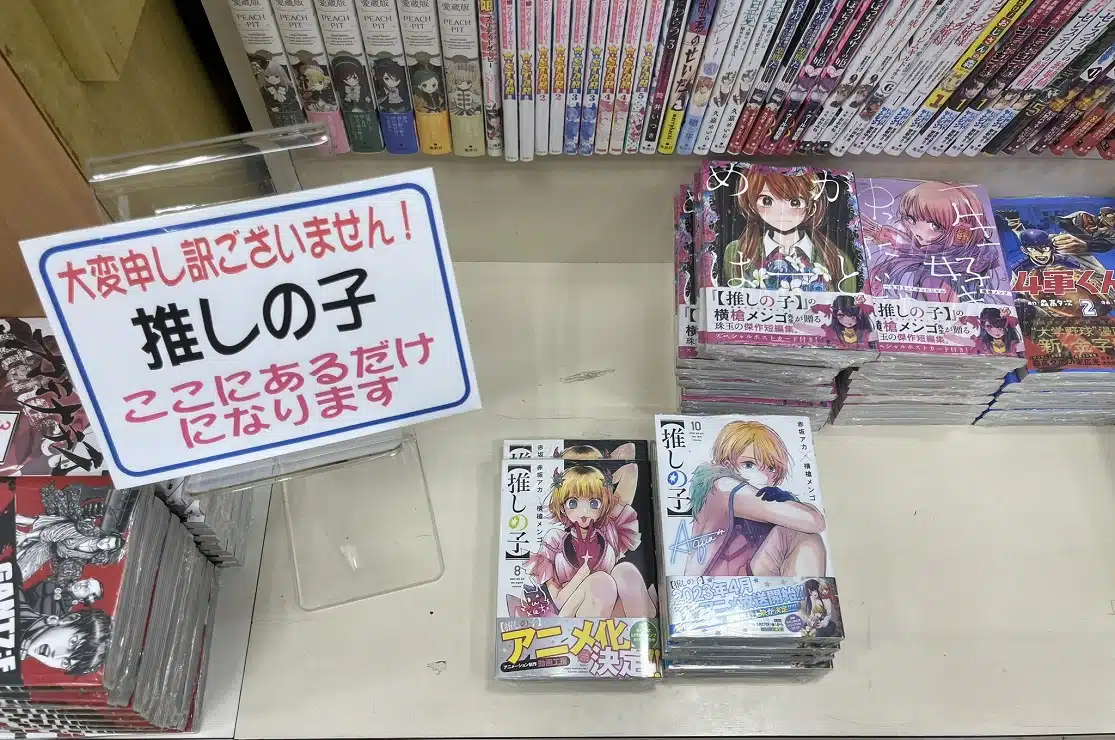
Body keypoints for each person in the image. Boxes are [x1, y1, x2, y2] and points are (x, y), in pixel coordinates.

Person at [685, 421, 827, 578]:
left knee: (803, 534)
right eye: (749, 464)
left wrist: (788, 500)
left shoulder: (761, 498)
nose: (762, 476)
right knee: (799, 533)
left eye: (771, 468)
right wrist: (789, 503)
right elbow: (815, 521)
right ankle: (809, 593)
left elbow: (814, 521)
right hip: (715, 586)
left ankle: (809, 594)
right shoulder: (722, 486)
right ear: (727, 465)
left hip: (751, 581)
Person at [525, 464, 656, 618]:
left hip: (609, 613)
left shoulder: (608, 532)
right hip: (574, 617)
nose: (584, 512)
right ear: (562, 507)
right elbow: (559, 602)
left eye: (594, 503)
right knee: (601, 582)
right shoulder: (555, 540)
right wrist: (582, 575)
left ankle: (641, 626)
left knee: (626, 571)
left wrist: (602, 481)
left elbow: (631, 469)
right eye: (573, 503)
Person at [862, 181, 1004, 303]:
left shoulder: (945, 273)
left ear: (961, 231)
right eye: (911, 219)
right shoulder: (923, 254)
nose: (918, 232)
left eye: (935, 226)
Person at [720, 169, 860, 293]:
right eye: (767, 201)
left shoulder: (836, 259)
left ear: (812, 208)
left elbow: (849, 308)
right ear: (752, 205)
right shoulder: (737, 252)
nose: (781, 213)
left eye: (795, 203)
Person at [17, 590, 111, 675]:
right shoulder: (14, 598)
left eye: (66, 663)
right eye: (73, 642)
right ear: (69, 619)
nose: (56, 655)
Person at [22, 577, 103, 618]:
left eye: (86, 588)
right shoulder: (52, 584)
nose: (82, 584)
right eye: (86, 582)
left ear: (84, 600)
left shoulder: (60, 614)